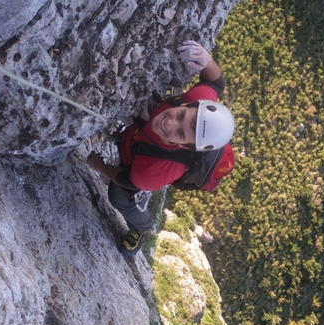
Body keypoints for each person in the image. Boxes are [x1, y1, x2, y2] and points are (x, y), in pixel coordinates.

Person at [87, 40, 234, 255]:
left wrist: (98, 165)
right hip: (138, 138)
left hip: (138, 160)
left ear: (188, 146)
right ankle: (126, 138)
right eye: (181, 115)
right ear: (188, 104)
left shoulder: (161, 169)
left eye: (181, 133)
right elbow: (216, 84)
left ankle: (142, 226)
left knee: (118, 196)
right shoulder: (197, 103)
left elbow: (126, 179)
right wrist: (207, 61)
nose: (170, 123)